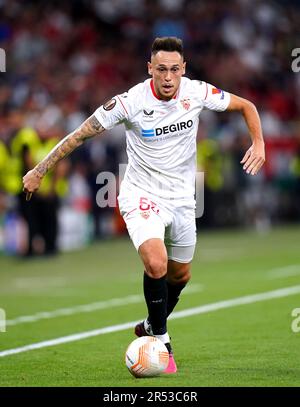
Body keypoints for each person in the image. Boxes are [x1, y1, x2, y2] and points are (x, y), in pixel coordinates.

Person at [23, 37, 265, 373]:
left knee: (181, 275)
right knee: (156, 262)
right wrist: (39, 170)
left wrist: (259, 142)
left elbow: (246, 106)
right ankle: (163, 343)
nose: (168, 77)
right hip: (141, 193)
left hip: (182, 196)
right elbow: (80, 134)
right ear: (150, 69)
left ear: (184, 70)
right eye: (161, 69)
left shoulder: (196, 92)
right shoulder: (130, 102)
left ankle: (152, 323)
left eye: (175, 70)